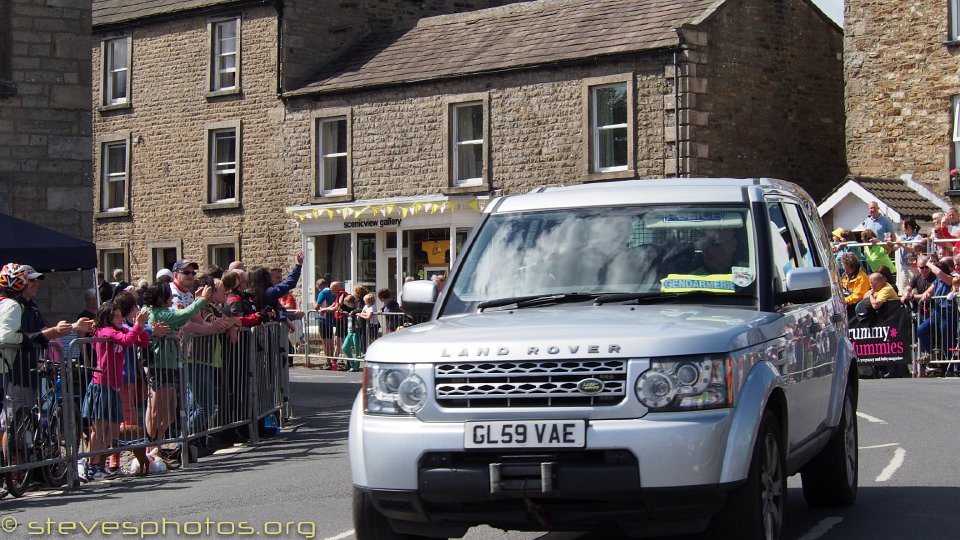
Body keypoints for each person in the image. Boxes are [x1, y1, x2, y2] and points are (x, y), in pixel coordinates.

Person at [143, 281, 215, 467]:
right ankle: (150, 449)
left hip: (169, 364)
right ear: (161, 297)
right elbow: (183, 314)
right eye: (168, 295)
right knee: (157, 410)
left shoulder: (161, 313)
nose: (171, 298)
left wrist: (197, 300)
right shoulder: (159, 313)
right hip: (161, 365)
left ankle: (156, 447)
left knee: (169, 414)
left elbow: (183, 318)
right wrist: (201, 300)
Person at [82, 302, 151, 480]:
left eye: (121, 316)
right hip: (101, 385)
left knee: (113, 429)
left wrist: (140, 327)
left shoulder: (118, 331)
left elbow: (142, 342)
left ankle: (97, 463)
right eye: (117, 316)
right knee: (99, 428)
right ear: (108, 318)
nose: (121, 319)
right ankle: (91, 464)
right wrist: (138, 325)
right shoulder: (105, 331)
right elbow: (127, 341)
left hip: (114, 387)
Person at [894, 218, 923, 292]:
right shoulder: (901, 237)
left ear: (909, 226)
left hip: (913, 266)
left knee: (913, 288)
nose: (902, 226)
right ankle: (906, 302)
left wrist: (902, 244)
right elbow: (895, 248)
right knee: (904, 287)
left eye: (904, 224)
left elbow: (912, 249)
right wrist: (889, 243)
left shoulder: (917, 237)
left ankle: (915, 302)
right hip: (904, 266)